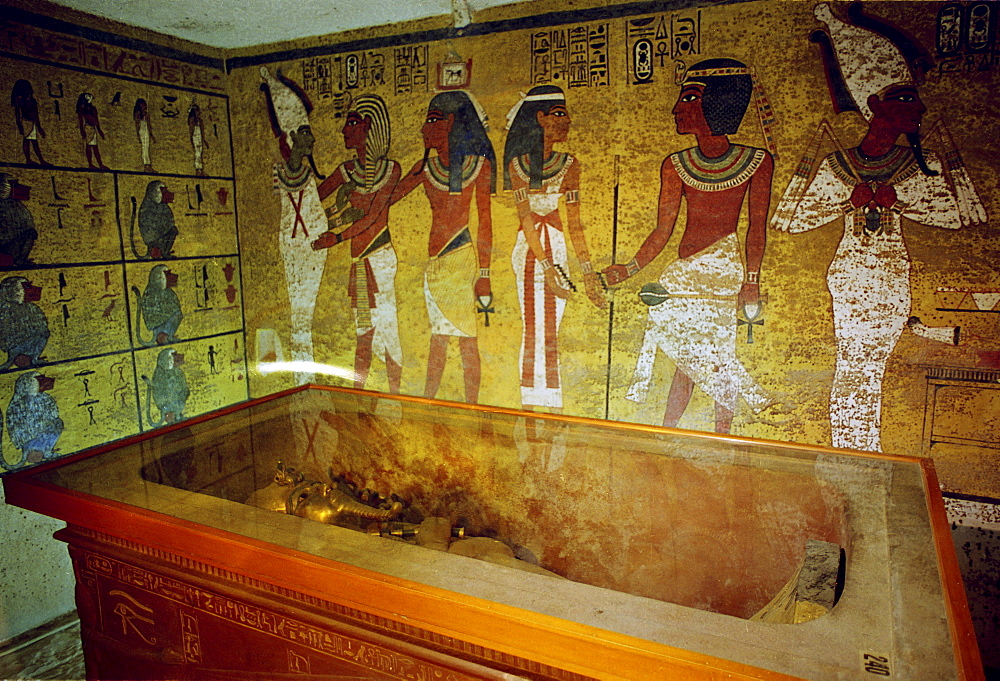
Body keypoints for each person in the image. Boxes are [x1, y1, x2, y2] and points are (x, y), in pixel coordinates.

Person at [771, 3, 985, 452]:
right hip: (850, 278)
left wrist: (901, 199)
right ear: (873, 105)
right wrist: (844, 197)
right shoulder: (840, 164)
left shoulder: (912, 165)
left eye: (914, 98)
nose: (917, 108)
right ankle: (855, 450)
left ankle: (858, 450)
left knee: (869, 366)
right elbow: (791, 220)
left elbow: (962, 215)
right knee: (856, 366)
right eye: (904, 99)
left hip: (890, 280)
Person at [602, 58, 773, 433]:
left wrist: (751, 281)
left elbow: (755, 228)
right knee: (686, 359)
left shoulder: (756, 161)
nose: (677, 108)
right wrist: (629, 268)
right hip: (682, 277)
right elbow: (663, 230)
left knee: (718, 359)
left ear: (720, 102)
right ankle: (669, 432)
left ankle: (722, 438)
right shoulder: (676, 164)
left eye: (690, 97)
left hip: (724, 272)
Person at [502, 85, 605, 413]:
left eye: (565, 113)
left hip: (557, 247)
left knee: (552, 329)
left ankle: (551, 400)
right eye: (559, 114)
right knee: (533, 325)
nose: (567, 120)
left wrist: (588, 274)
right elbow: (526, 219)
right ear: (540, 118)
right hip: (531, 251)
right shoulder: (518, 166)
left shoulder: (570, 164)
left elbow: (574, 224)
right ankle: (530, 402)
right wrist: (547, 268)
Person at [390, 91, 494, 403]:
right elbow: (390, 195)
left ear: (450, 123)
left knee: (466, 339)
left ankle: (470, 407)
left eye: (432, 121)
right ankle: (429, 402)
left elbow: (485, 222)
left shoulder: (478, 166)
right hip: (433, 265)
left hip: (460, 259)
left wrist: (484, 274)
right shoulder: (426, 168)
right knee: (438, 337)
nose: (423, 129)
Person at [312, 94, 403, 393]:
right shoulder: (345, 170)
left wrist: (336, 237)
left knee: (388, 331)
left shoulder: (391, 170)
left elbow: (374, 217)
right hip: (359, 264)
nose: (343, 131)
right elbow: (314, 196)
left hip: (379, 257)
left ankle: (395, 397)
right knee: (363, 333)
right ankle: (358, 397)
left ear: (367, 126)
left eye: (351, 123)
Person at [260, 67, 328, 385]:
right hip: (298, 244)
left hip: (310, 243)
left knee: (307, 313)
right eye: (304, 131)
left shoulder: (302, 175)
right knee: (300, 314)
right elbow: (299, 205)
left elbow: (314, 202)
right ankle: (304, 376)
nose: (312, 137)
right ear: (291, 138)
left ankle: (307, 375)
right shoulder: (285, 173)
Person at [11, 80, 48, 167]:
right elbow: (18, 114)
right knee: (28, 140)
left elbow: (35, 114)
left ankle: (40, 160)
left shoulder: (31, 100)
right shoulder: (22, 101)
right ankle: (30, 159)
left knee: (33, 141)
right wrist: (19, 124)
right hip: (27, 122)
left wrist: (39, 127)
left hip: (31, 122)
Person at [76, 92, 108, 170]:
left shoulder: (92, 109)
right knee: (90, 147)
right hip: (88, 128)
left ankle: (100, 165)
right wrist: (82, 131)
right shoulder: (82, 109)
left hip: (92, 128)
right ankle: (92, 164)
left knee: (94, 147)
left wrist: (99, 130)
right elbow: (81, 121)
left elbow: (96, 120)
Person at [133, 98, 155, 172]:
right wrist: (138, 134)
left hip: (146, 131)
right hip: (142, 131)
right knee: (144, 149)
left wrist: (151, 134)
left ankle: (148, 165)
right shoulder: (138, 113)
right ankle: (146, 165)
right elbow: (137, 124)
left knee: (147, 149)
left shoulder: (145, 113)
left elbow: (148, 125)